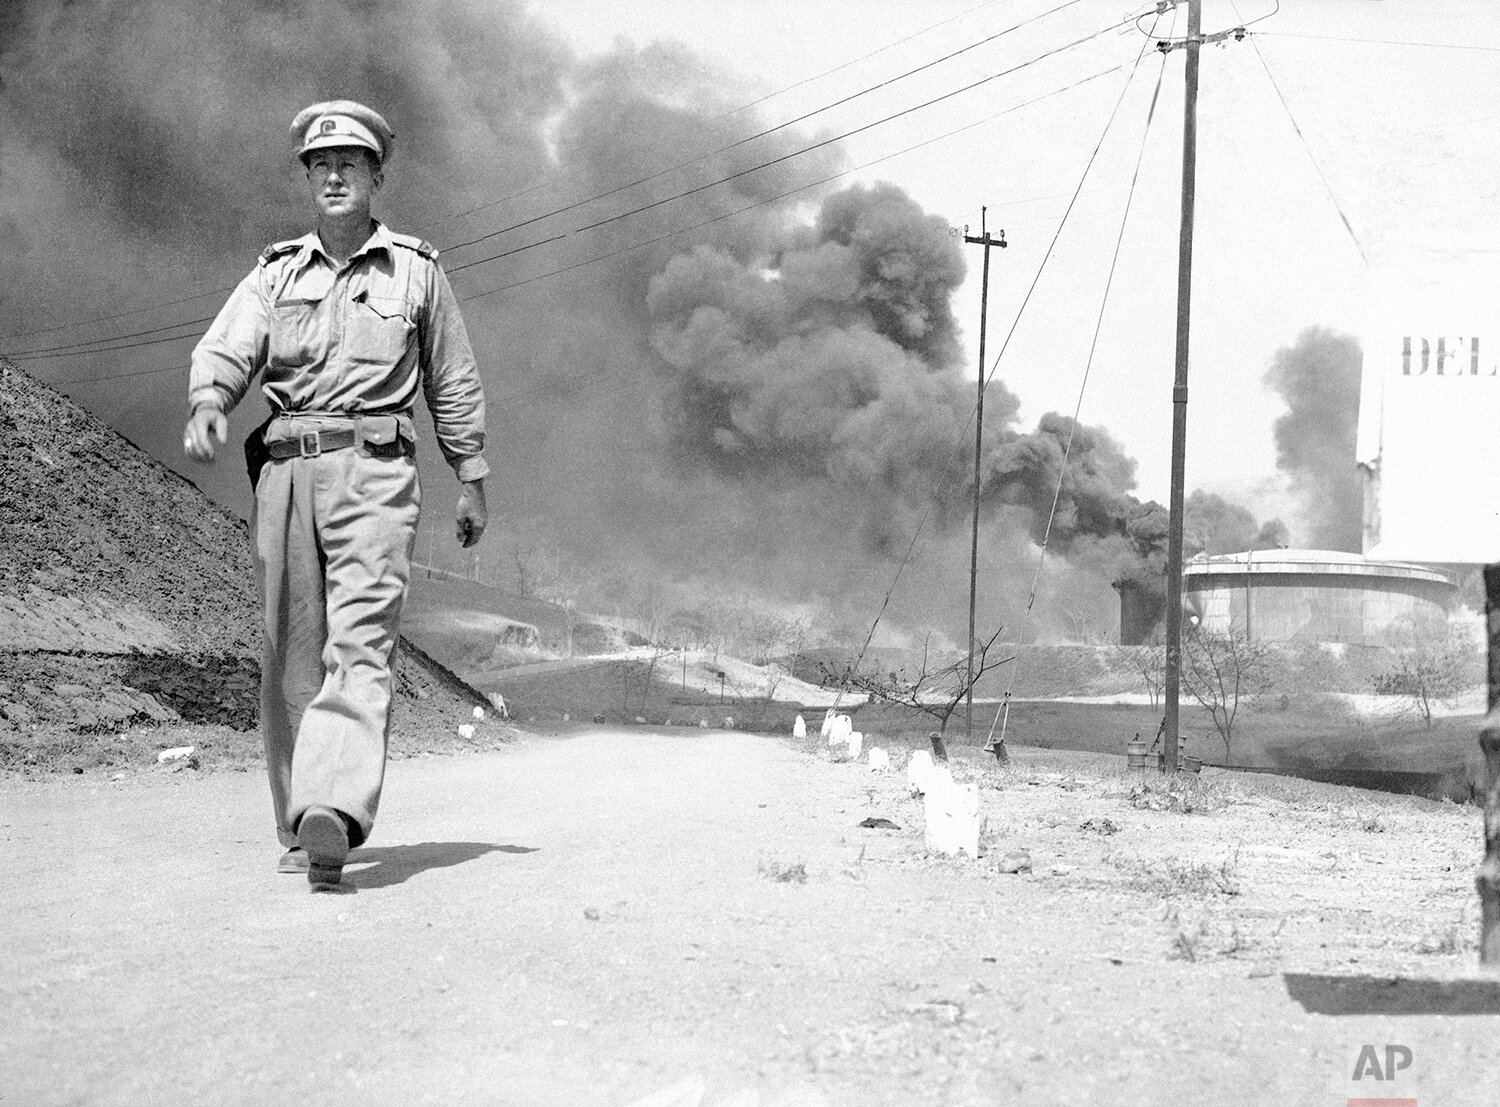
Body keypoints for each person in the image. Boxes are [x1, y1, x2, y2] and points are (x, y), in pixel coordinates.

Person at [183, 100, 489, 890]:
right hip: (287, 472)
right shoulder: (276, 272)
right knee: (292, 652)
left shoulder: (417, 272)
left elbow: (451, 378)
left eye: (350, 162)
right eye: (320, 164)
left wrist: (471, 476)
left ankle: (335, 811)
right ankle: (298, 820)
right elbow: (229, 343)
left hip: (376, 472)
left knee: (360, 642)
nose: (334, 174)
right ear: (308, 180)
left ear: (377, 175)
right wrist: (211, 399)